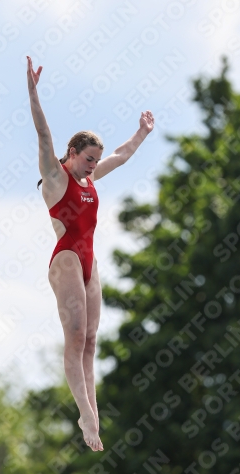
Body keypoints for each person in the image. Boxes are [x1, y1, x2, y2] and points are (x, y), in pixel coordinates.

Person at [27, 56, 154, 452]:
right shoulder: (56, 175)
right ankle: (85, 415)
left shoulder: (89, 175)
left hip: (89, 260)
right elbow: (44, 137)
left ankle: (93, 417)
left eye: (95, 162)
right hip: (66, 258)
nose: (93, 168)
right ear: (73, 152)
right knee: (76, 335)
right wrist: (32, 92)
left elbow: (122, 155)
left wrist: (141, 133)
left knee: (92, 341)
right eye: (88, 160)